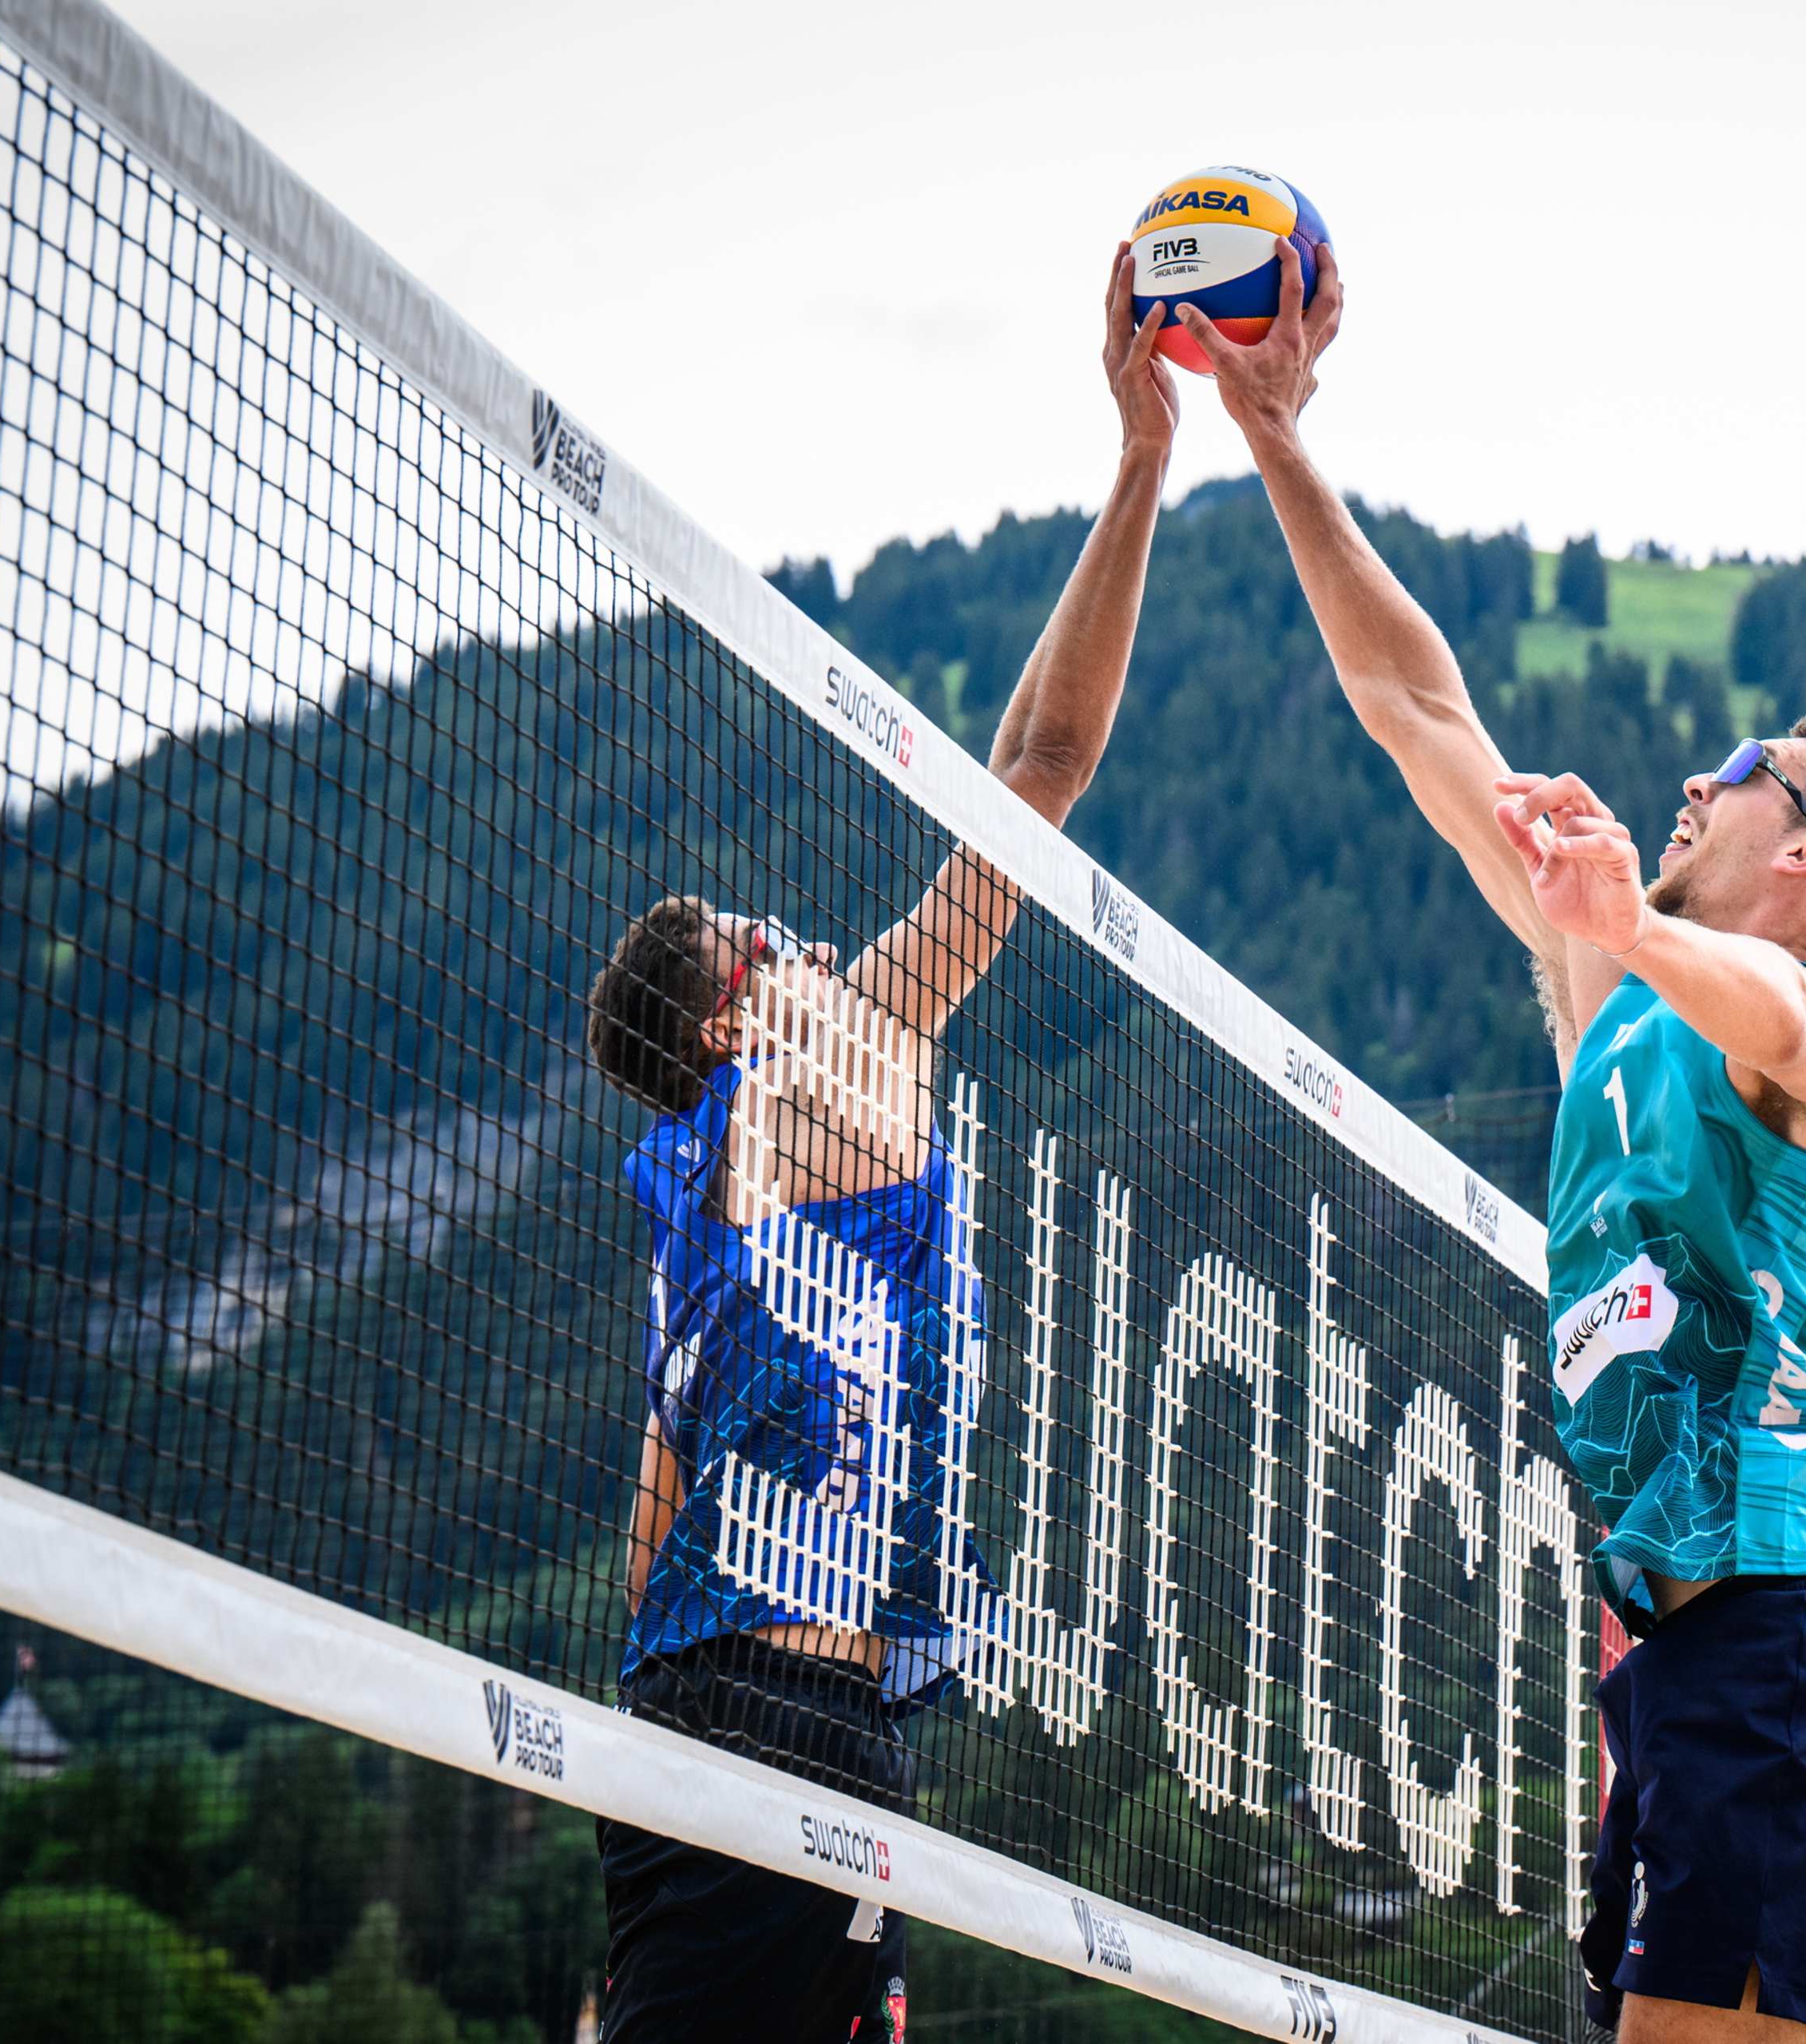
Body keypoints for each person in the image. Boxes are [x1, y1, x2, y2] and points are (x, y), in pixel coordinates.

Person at [1169, 247, 1806, 2044]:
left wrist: (1634, 923)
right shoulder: (1620, 986)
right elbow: (1420, 711)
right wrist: (1271, 435)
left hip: (1800, 1633)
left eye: (1740, 764)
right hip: (1692, 1657)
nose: (1695, 780)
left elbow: (1782, 1016)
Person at [575, 248, 1181, 2044]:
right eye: (767, 944)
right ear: (727, 1022)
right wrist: (1140, 469)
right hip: (763, 1722)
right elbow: (1041, 771)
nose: (805, 940)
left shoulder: (717, 1192)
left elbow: (652, 1509)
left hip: (775, 1719)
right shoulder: (820, 1080)